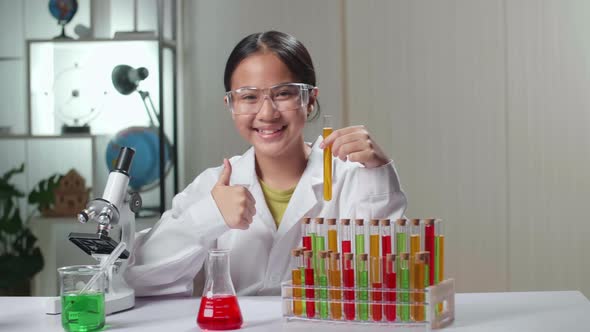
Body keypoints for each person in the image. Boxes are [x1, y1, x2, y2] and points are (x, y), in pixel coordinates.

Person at [124, 31, 406, 296]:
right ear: (230, 105)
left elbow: (389, 281)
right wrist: (209, 216)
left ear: (309, 100)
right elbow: (137, 278)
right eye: (249, 97)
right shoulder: (214, 185)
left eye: (283, 93)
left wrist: (378, 174)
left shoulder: (352, 179)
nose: (267, 112)